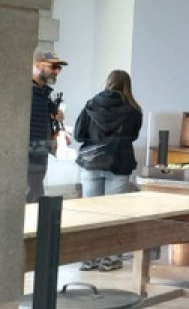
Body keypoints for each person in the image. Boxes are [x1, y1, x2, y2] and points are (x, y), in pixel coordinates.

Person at [73, 69, 144, 271]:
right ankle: (110, 259)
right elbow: (133, 136)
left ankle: (89, 259)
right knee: (116, 214)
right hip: (119, 163)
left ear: (108, 83)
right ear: (126, 86)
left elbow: (79, 134)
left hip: (91, 164)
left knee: (90, 214)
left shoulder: (91, 105)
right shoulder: (133, 109)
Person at [28, 49, 68, 203]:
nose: (57, 71)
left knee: (35, 194)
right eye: (53, 66)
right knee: (30, 196)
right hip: (27, 151)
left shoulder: (43, 93)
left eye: (59, 67)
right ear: (37, 65)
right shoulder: (25, 91)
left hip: (39, 150)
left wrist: (55, 114)